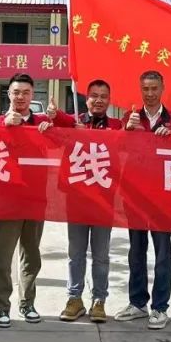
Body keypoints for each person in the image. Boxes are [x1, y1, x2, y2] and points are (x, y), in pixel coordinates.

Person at [50, 80, 122, 324]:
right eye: (94, 96)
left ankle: (99, 300)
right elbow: (50, 130)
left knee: (101, 255)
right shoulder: (73, 123)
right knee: (76, 254)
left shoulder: (117, 126)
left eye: (103, 95)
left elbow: (131, 149)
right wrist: (54, 117)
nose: (99, 100)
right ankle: (74, 298)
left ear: (109, 100)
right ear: (86, 98)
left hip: (104, 200)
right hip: (77, 199)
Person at [114, 70, 171, 330]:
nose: (150, 94)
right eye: (146, 89)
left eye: (155, 88)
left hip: (163, 196)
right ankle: (137, 302)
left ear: (162, 88)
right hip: (135, 194)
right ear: (140, 90)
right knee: (136, 250)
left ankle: (160, 306)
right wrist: (127, 131)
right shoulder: (130, 117)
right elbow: (118, 150)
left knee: (162, 251)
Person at [0, 73, 53, 328]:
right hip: (8, 198)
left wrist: (53, 127)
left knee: (31, 255)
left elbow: (64, 143)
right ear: (9, 94)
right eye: (16, 92)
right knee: (3, 256)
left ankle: (27, 303)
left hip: (36, 197)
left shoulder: (42, 123)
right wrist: (5, 127)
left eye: (25, 93)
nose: (20, 97)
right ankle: (1, 307)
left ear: (32, 96)